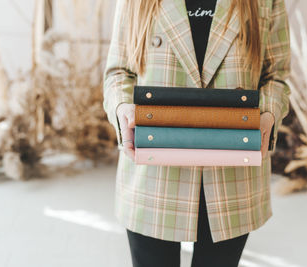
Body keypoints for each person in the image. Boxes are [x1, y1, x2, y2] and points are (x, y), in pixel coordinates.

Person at [103, 0, 290, 266]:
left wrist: (269, 113)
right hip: (153, 171)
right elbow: (118, 72)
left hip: (233, 175)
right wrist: (122, 107)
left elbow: (276, 75)